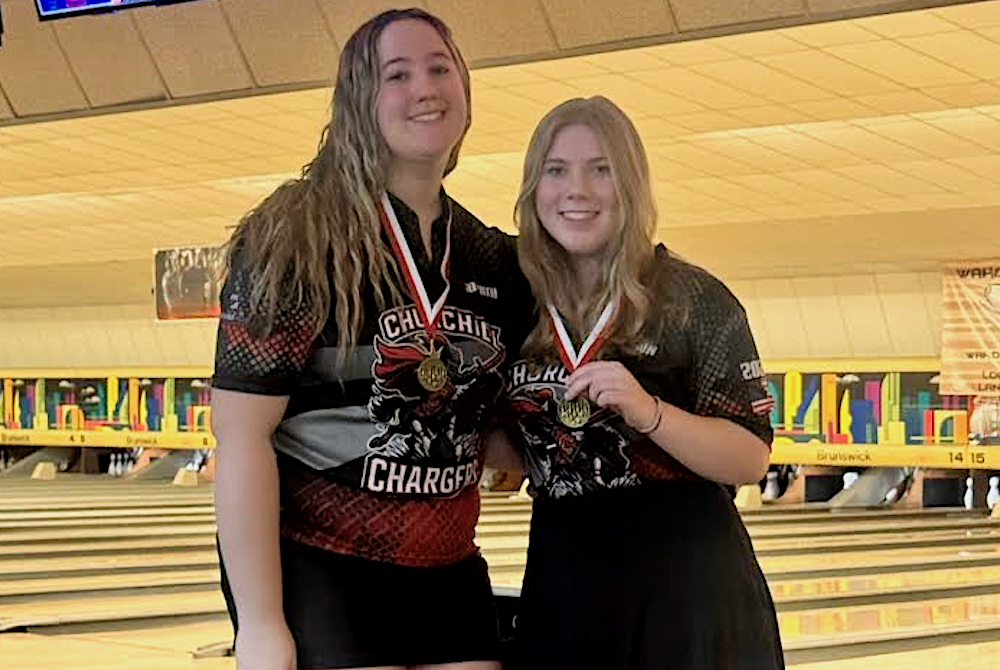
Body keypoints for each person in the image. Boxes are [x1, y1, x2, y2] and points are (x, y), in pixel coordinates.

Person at [210, 9, 530, 670]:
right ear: (359, 98)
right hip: (322, 565)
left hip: (446, 568)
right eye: (398, 74)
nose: (426, 87)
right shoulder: (295, 236)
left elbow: (499, 430)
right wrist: (262, 625)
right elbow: (240, 436)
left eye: (441, 68)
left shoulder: (493, 257)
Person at [499, 96, 784, 669]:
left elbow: (750, 458)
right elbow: (518, 446)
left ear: (629, 184)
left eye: (599, 169)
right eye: (556, 171)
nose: (575, 189)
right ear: (534, 188)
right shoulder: (517, 300)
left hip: (684, 587)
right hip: (566, 575)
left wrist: (648, 409)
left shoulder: (693, 300)